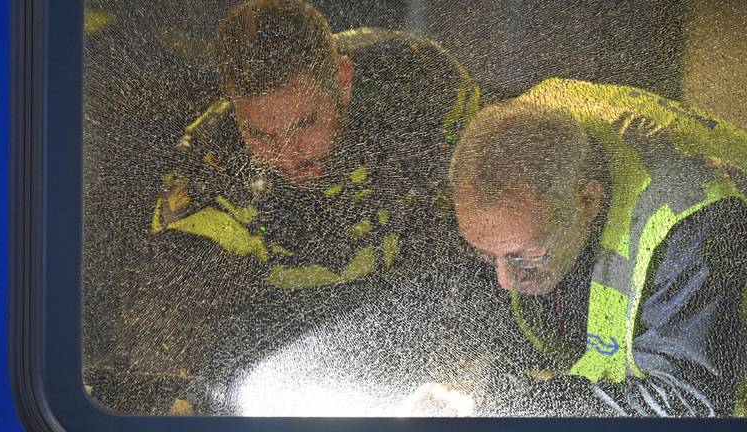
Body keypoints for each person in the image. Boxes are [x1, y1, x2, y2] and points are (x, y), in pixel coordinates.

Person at [88, 0, 483, 415]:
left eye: (306, 124)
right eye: (258, 134)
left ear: (343, 81)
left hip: (424, 298)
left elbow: (483, 235)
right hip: (285, 336)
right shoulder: (208, 175)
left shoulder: (423, 89)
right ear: (233, 108)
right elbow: (176, 323)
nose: (287, 154)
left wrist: (462, 369)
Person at [443, 78, 747, 416]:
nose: (505, 278)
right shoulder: (512, 147)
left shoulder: (689, 217)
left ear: (587, 201)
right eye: (486, 254)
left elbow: (695, 404)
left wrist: (528, 402)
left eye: (522, 254)